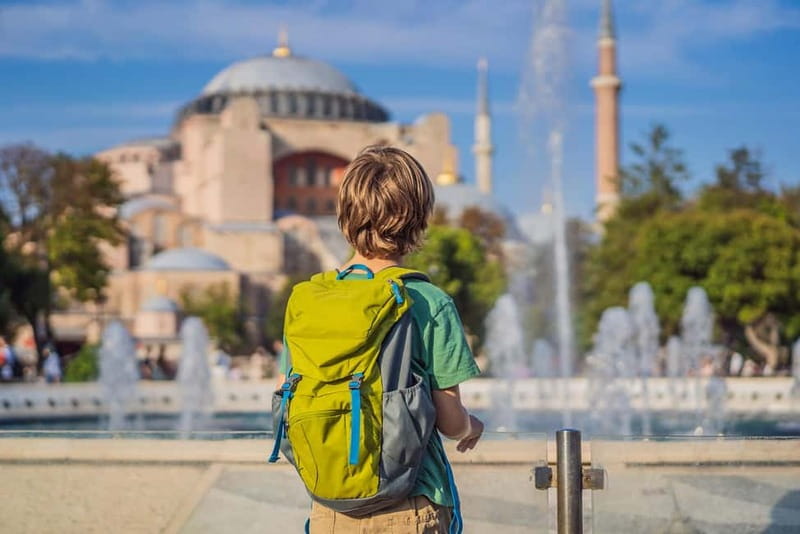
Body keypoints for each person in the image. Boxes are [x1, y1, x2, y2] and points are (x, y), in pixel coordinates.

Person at [277, 145, 484, 533]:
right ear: (419, 219)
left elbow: (286, 393)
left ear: (344, 218)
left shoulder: (306, 301)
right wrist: (472, 427)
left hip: (331, 508)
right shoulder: (427, 301)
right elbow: (450, 420)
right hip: (411, 501)